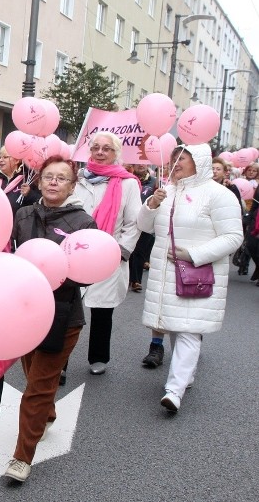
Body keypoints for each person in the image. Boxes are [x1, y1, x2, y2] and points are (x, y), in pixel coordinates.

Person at [4, 156, 97, 484]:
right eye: (48, 177)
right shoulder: (23, 213)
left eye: (62, 178)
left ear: (72, 186)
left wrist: (54, 273)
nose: (54, 182)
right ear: (40, 181)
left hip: (62, 314)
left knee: (39, 385)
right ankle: (48, 413)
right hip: (25, 308)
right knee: (33, 375)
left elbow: (87, 273)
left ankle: (21, 457)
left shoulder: (84, 223)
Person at [138, 144, 242, 412]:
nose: (175, 162)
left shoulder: (219, 195)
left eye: (181, 158)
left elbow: (233, 237)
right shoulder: (167, 190)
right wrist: (151, 204)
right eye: (173, 157)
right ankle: (186, 375)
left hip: (198, 272)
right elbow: (144, 227)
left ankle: (174, 390)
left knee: (188, 330)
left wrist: (194, 254)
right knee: (175, 324)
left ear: (199, 161)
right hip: (165, 273)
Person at [71, 131, 141, 376]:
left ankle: (98, 357)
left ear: (116, 153)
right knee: (67, 310)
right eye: (96, 147)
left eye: (106, 149)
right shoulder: (76, 178)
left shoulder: (128, 183)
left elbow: (134, 223)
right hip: (75, 254)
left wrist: (121, 251)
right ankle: (59, 361)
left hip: (108, 255)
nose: (100, 152)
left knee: (102, 311)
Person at [128, 164, 157, 293]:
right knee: (131, 250)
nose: (141, 165)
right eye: (138, 163)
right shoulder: (129, 180)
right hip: (130, 220)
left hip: (147, 220)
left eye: (144, 163)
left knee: (139, 251)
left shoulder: (155, 182)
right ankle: (129, 277)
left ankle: (136, 281)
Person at [0, 146, 40, 219]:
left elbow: (42, 202)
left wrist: (29, 194)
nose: (1, 160)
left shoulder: (29, 180)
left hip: (19, 227)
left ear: (17, 160)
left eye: (5, 157)